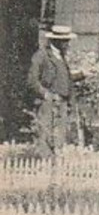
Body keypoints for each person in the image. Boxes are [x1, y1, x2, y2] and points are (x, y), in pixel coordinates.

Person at [28, 24, 76, 158]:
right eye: (65, 41)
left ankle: (56, 162)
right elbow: (32, 80)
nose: (67, 44)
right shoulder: (41, 56)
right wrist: (45, 94)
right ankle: (43, 163)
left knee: (60, 133)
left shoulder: (61, 57)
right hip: (48, 102)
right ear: (56, 41)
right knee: (45, 132)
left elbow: (64, 77)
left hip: (62, 101)